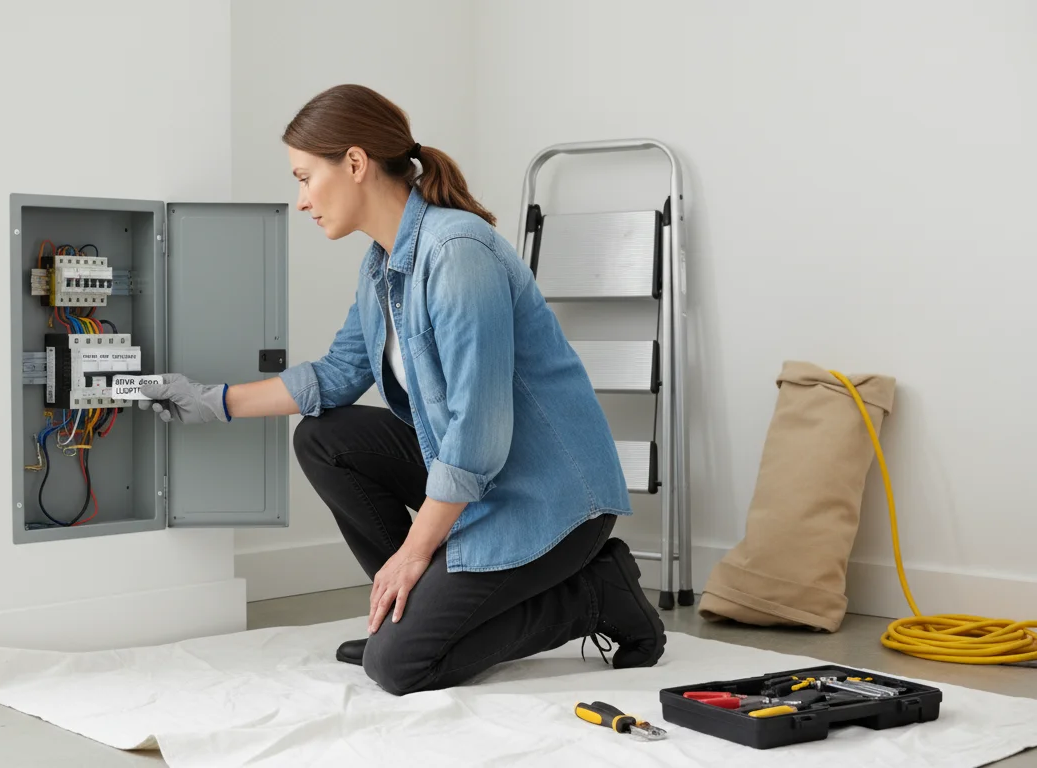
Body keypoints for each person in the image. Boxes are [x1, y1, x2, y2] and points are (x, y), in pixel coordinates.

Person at [138, 84, 665, 696]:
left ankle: (594, 597)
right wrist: (211, 401)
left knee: (398, 667)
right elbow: (337, 376)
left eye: (306, 178)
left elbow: (478, 435)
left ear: (355, 164)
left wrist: (414, 552)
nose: (302, 200)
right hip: (478, 483)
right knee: (324, 438)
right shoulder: (381, 264)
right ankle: (410, 611)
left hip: (547, 500)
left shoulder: (458, 253)